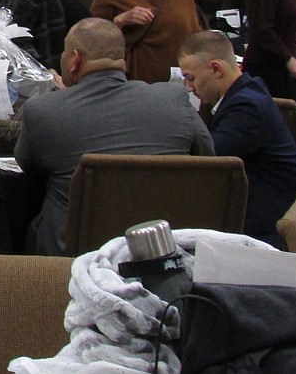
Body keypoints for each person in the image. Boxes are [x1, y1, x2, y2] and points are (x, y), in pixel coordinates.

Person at [16, 19, 213, 255]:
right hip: (161, 251)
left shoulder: (43, 111)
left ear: (75, 59)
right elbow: (208, 162)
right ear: (124, 60)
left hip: (72, 257)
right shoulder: (174, 99)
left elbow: (28, 168)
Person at [178, 30, 296, 248]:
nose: (189, 88)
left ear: (215, 69)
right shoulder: (248, 91)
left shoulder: (245, 108)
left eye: (190, 78)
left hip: (268, 233)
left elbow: (205, 162)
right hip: (268, 215)